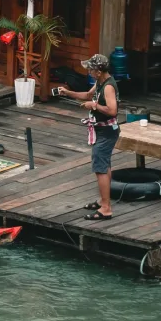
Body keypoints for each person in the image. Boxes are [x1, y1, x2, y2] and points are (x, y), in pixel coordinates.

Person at [54, 53, 120, 220]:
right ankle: (103, 200)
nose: (88, 72)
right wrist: (67, 92)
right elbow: (87, 95)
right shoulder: (100, 82)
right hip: (100, 130)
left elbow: (113, 110)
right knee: (105, 165)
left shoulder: (108, 87)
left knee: (100, 167)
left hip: (107, 131)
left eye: (90, 69)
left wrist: (95, 106)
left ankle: (106, 208)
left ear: (98, 71)